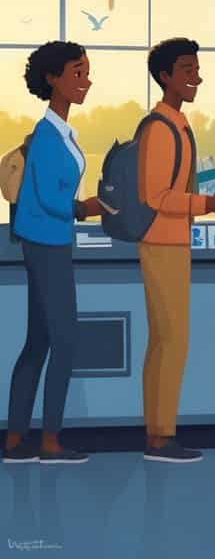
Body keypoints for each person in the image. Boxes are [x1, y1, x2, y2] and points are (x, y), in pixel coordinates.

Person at [138, 37, 215, 463]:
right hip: (161, 242)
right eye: (186, 70)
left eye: (196, 68)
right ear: (165, 77)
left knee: (169, 340)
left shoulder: (180, 124)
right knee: (170, 341)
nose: (195, 77)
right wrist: (208, 204)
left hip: (175, 242)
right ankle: (159, 438)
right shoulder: (159, 128)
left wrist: (208, 202)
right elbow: (154, 196)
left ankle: (160, 432)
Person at [3, 42, 102, 465]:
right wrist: (85, 208)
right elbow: (45, 198)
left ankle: (14, 442)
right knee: (65, 339)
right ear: (52, 79)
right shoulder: (46, 136)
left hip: (47, 241)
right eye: (77, 74)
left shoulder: (61, 133)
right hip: (48, 244)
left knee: (40, 340)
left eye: (86, 74)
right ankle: (49, 441)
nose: (86, 82)